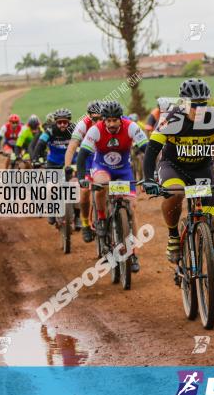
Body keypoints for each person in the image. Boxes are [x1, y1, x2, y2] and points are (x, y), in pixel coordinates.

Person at [141, 78, 214, 302]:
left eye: (203, 104)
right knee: (176, 192)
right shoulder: (171, 118)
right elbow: (152, 150)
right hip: (173, 167)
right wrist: (148, 178)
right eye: (194, 104)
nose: (199, 109)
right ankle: (172, 236)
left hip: (203, 169)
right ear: (184, 103)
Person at [76, 101, 148, 273]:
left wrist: (149, 176)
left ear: (120, 120)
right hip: (102, 167)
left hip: (124, 171)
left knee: (131, 208)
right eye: (108, 120)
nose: (111, 124)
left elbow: (148, 149)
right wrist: (80, 177)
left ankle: (134, 253)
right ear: (103, 120)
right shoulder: (96, 130)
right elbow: (83, 154)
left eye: (115, 120)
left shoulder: (131, 126)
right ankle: (101, 218)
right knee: (100, 184)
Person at [33, 108, 78, 227]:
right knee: (51, 187)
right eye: (59, 122)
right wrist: (35, 159)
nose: (62, 124)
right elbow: (40, 145)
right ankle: (52, 211)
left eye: (65, 122)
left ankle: (77, 216)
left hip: (71, 162)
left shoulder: (74, 130)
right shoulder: (49, 131)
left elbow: (84, 144)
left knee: (77, 186)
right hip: (53, 163)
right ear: (55, 122)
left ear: (69, 122)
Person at [66, 100, 104, 242]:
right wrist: (67, 166)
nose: (99, 121)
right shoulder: (83, 125)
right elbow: (72, 146)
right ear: (89, 117)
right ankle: (85, 223)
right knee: (85, 191)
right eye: (95, 119)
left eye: (102, 118)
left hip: (104, 160)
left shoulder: (110, 123)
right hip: (87, 159)